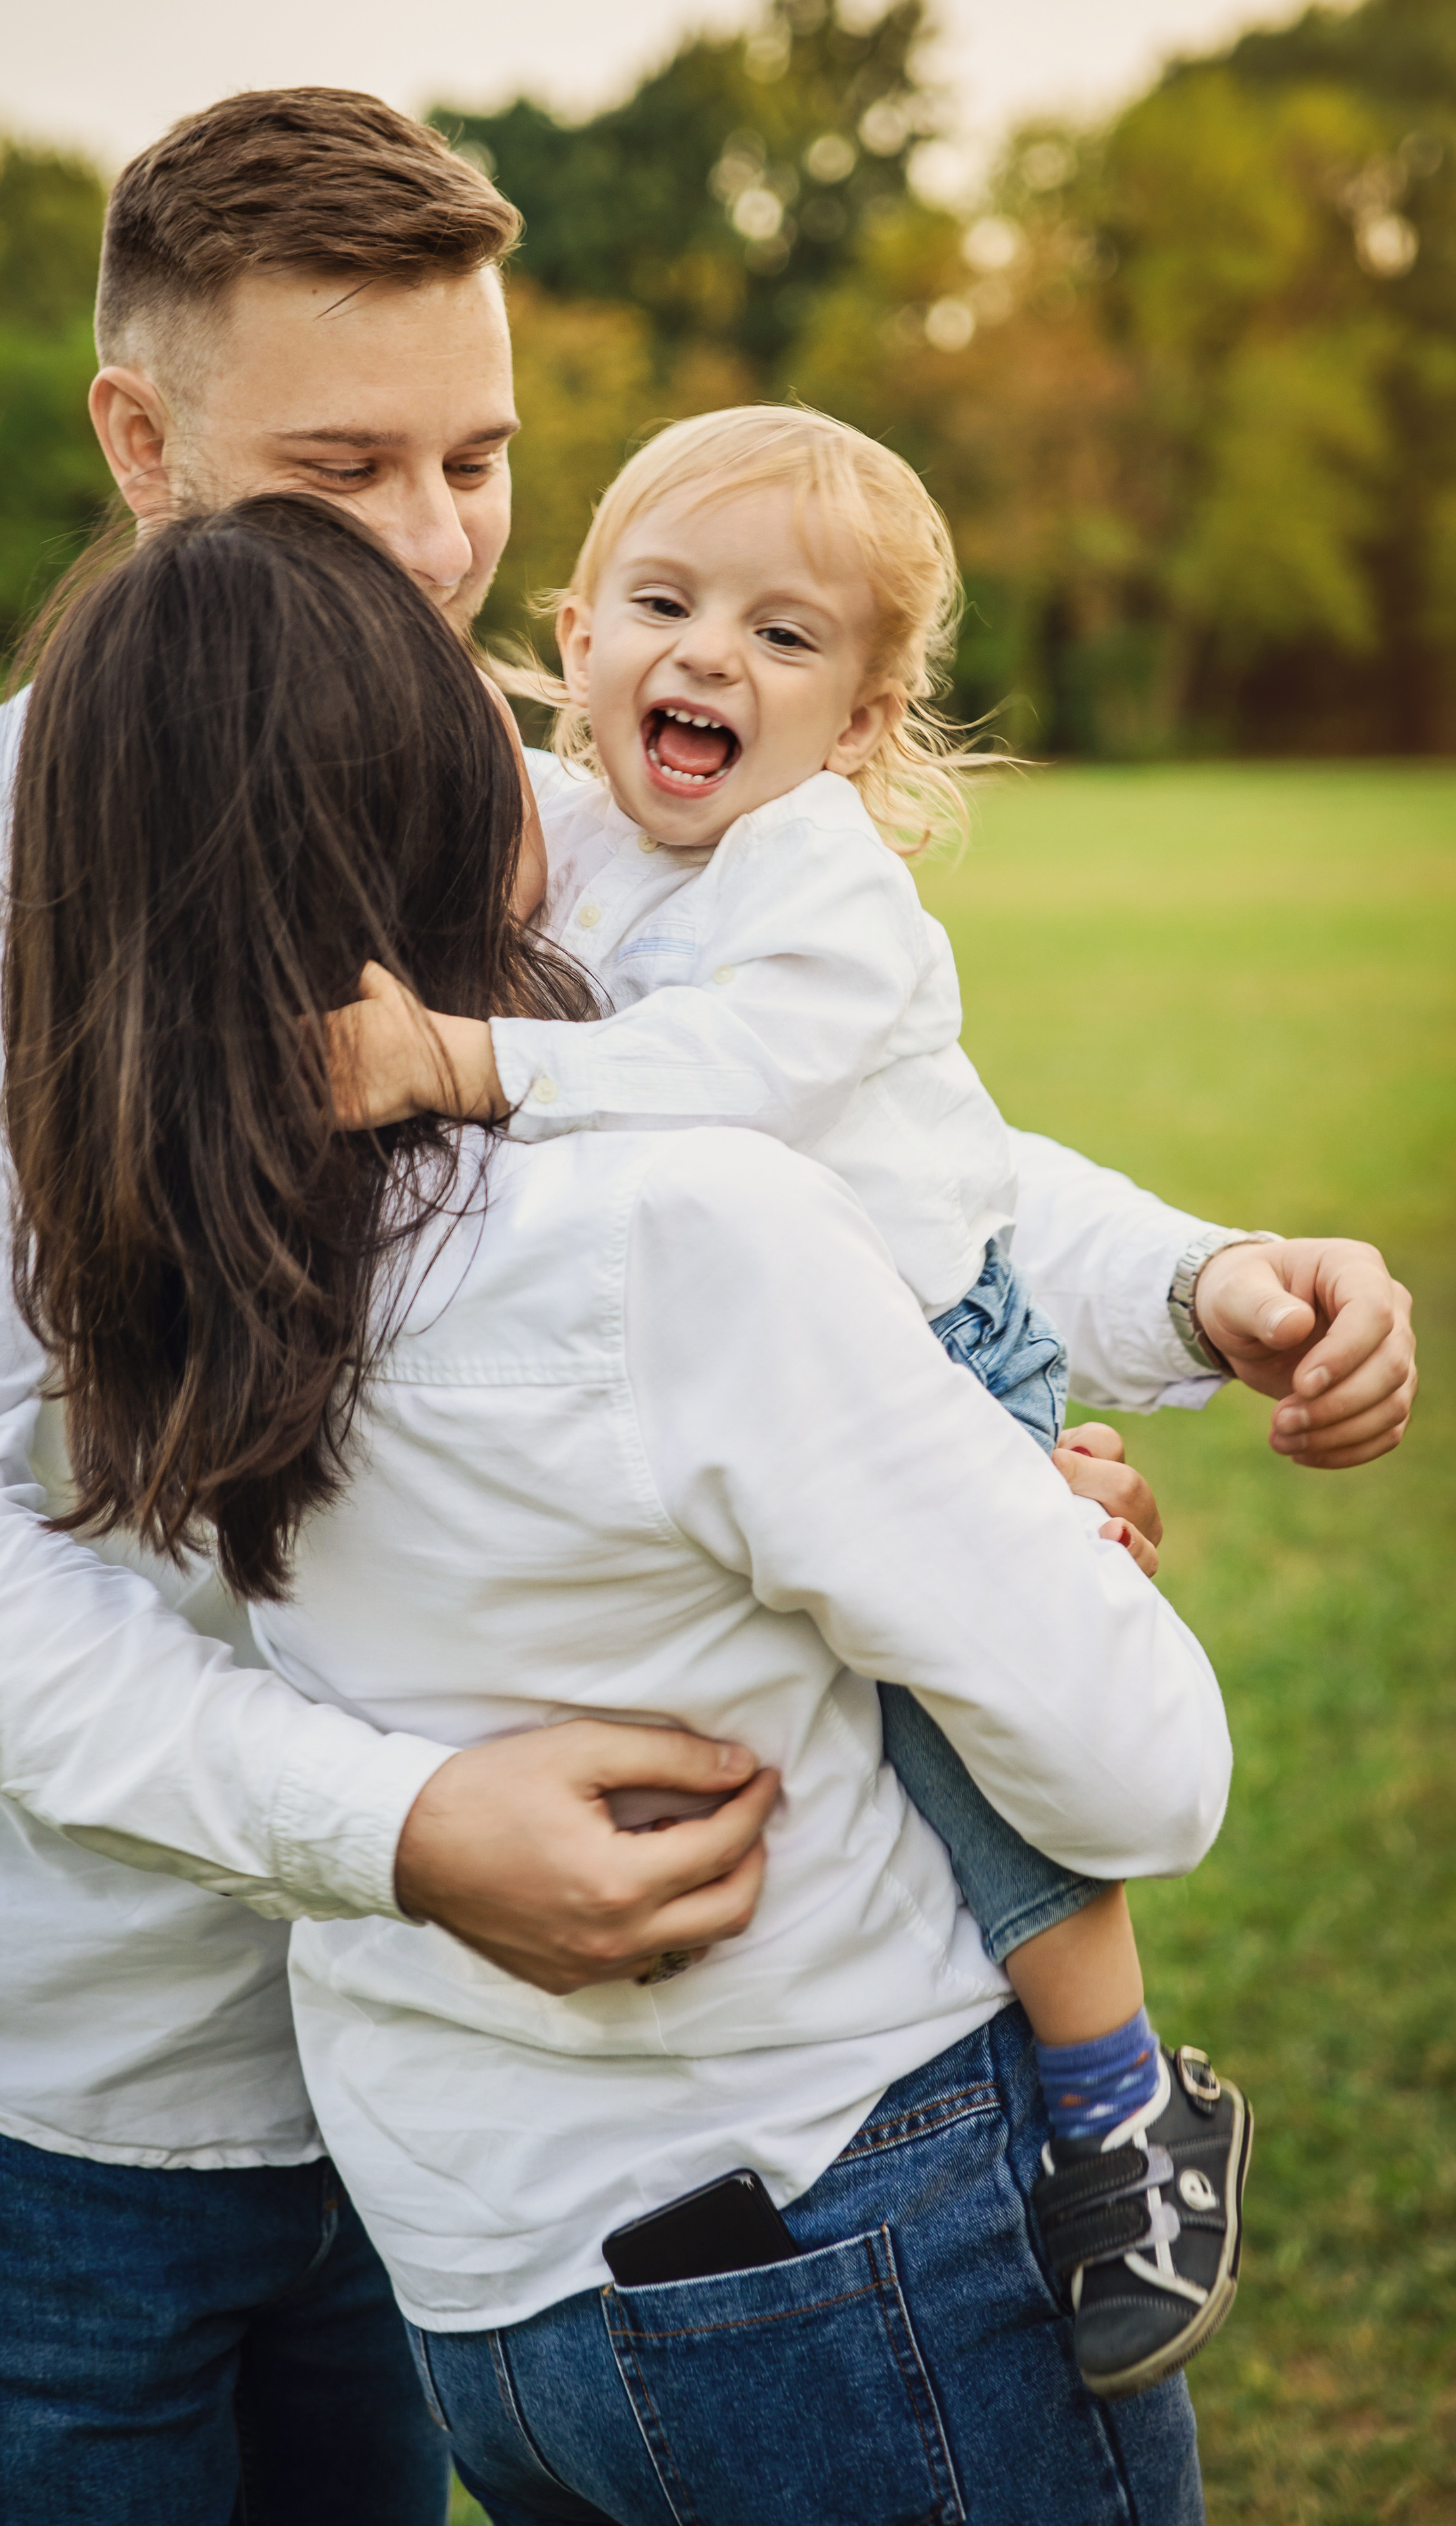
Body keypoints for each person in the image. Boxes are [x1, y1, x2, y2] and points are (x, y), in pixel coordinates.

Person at [0, 84, 1414, 2516]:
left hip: (463, 2113)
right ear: (139, 437)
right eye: (352, 466)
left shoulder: (561, 780)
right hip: (70, 2069)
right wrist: (409, 1824)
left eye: (487, 460)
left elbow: (834, 1148)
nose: (438, 552)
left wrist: (1170, 1292)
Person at [2, 486, 1237, 2523]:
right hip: (844, 2232)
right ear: (409, 810)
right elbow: (1142, 1774)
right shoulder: (682, 1224)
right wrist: (1024, 1516)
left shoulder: (147, 1255)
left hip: (484, 2282)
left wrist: (1128, 1327)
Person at [328, 397, 1253, 2401]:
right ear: (574, 636)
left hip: (926, 1339)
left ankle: (1117, 2099)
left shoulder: (822, 882)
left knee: (968, 1720)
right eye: (663, 605)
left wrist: (469, 1064)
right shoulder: (569, 827)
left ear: (859, 719)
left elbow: (732, 1079)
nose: (708, 661)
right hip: (756, 1366)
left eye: (782, 637)